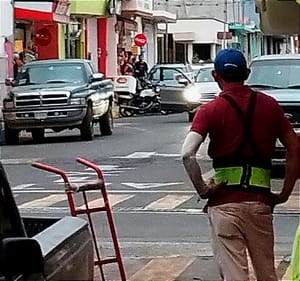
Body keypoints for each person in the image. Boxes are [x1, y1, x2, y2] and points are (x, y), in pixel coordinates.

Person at [181, 48, 300, 281]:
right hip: (259, 204)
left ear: (216, 76)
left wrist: (203, 190)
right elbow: (295, 147)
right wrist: (284, 192)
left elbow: (187, 154)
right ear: (247, 74)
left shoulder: (209, 110)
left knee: (235, 275)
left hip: (224, 205)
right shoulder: (270, 105)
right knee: (267, 273)